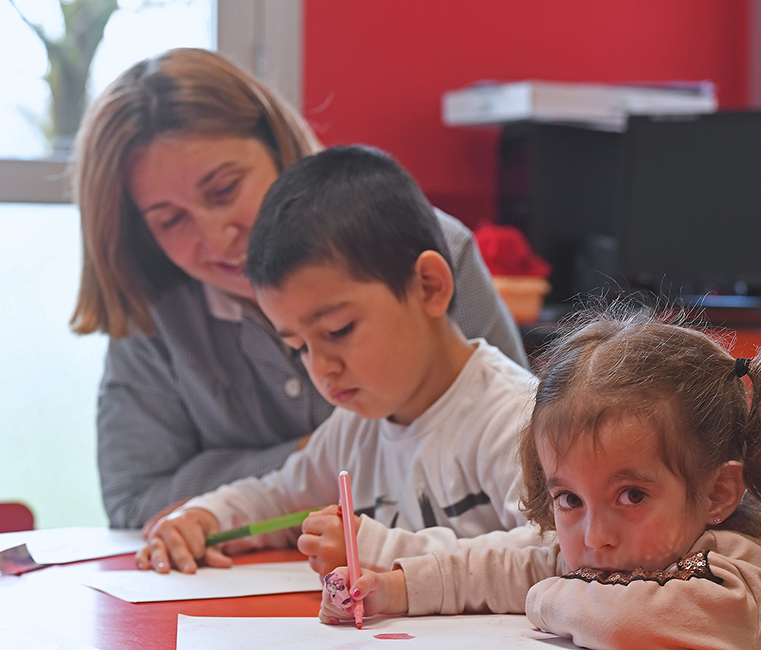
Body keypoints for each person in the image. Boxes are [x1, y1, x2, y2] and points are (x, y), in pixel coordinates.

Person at [69, 48, 528, 529]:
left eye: (225, 189)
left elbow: (535, 467)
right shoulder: (152, 311)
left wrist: (387, 543)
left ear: (277, 146)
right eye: (170, 220)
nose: (217, 238)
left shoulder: (427, 250)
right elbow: (135, 501)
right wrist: (313, 457)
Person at [319, 308, 761, 649]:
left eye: (632, 495)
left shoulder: (744, 578)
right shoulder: (612, 553)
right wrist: (391, 589)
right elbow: (497, 567)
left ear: (716, 492)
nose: (595, 535)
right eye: (569, 499)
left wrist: (543, 596)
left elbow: (626, 622)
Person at [135, 145, 537, 576]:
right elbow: (278, 498)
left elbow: (552, 551)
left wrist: (382, 551)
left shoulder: (518, 423)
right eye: (299, 347)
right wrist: (205, 517)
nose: (321, 369)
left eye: (338, 330)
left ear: (428, 286)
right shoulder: (355, 429)